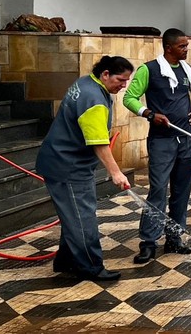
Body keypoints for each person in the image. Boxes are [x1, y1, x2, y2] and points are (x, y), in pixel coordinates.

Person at [35, 55, 134, 282]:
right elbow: (99, 142)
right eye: (120, 79)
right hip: (68, 166)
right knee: (82, 217)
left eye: (127, 80)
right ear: (105, 74)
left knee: (72, 216)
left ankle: (66, 261)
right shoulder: (94, 100)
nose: (123, 85)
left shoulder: (85, 82)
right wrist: (115, 172)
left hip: (60, 159)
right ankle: (91, 267)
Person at [124, 28, 191, 264]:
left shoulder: (187, 70)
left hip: (186, 138)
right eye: (182, 46)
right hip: (161, 140)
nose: (186, 49)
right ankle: (148, 243)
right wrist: (150, 114)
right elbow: (129, 98)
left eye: (187, 45)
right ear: (168, 47)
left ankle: (174, 238)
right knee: (159, 189)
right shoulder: (148, 70)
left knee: (182, 190)